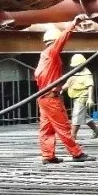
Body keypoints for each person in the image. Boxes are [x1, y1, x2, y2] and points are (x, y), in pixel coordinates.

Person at [36, 18, 92, 164]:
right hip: (51, 98)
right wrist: (73, 24)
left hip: (43, 98)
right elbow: (61, 40)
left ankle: (48, 155)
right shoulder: (51, 52)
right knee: (63, 126)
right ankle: (76, 153)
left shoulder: (44, 56)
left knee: (46, 128)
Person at [63, 53, 98, 141]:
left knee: (77, 114)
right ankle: (96, 130)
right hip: (76, 96)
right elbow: (68, 83)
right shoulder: (75, 72)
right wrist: (60, 90)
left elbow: (90, 86)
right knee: (84, 115)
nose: (75, 67)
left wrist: (90, 98)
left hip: (82, 96)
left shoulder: (86, 73)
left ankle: (72, 136)